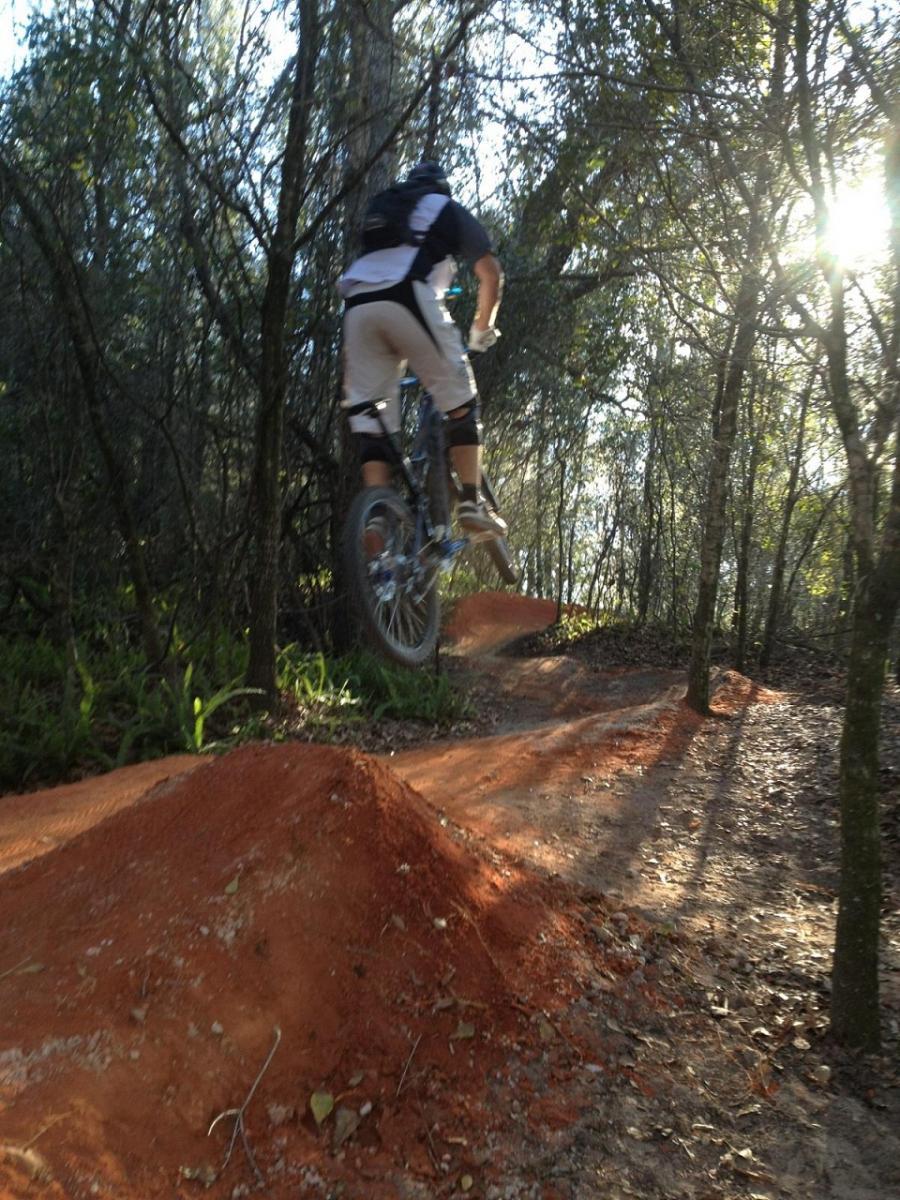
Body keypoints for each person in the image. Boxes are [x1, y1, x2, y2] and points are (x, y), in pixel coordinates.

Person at [338, 160, 506, 537]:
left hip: (357, 308)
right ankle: (470, 502)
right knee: (462, 401)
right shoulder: (442, 206)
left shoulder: (386, 210)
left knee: (372, 419)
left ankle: (377, 514)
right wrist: (482, 328)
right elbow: (490, 272)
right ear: (441, 188)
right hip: (406, 295)